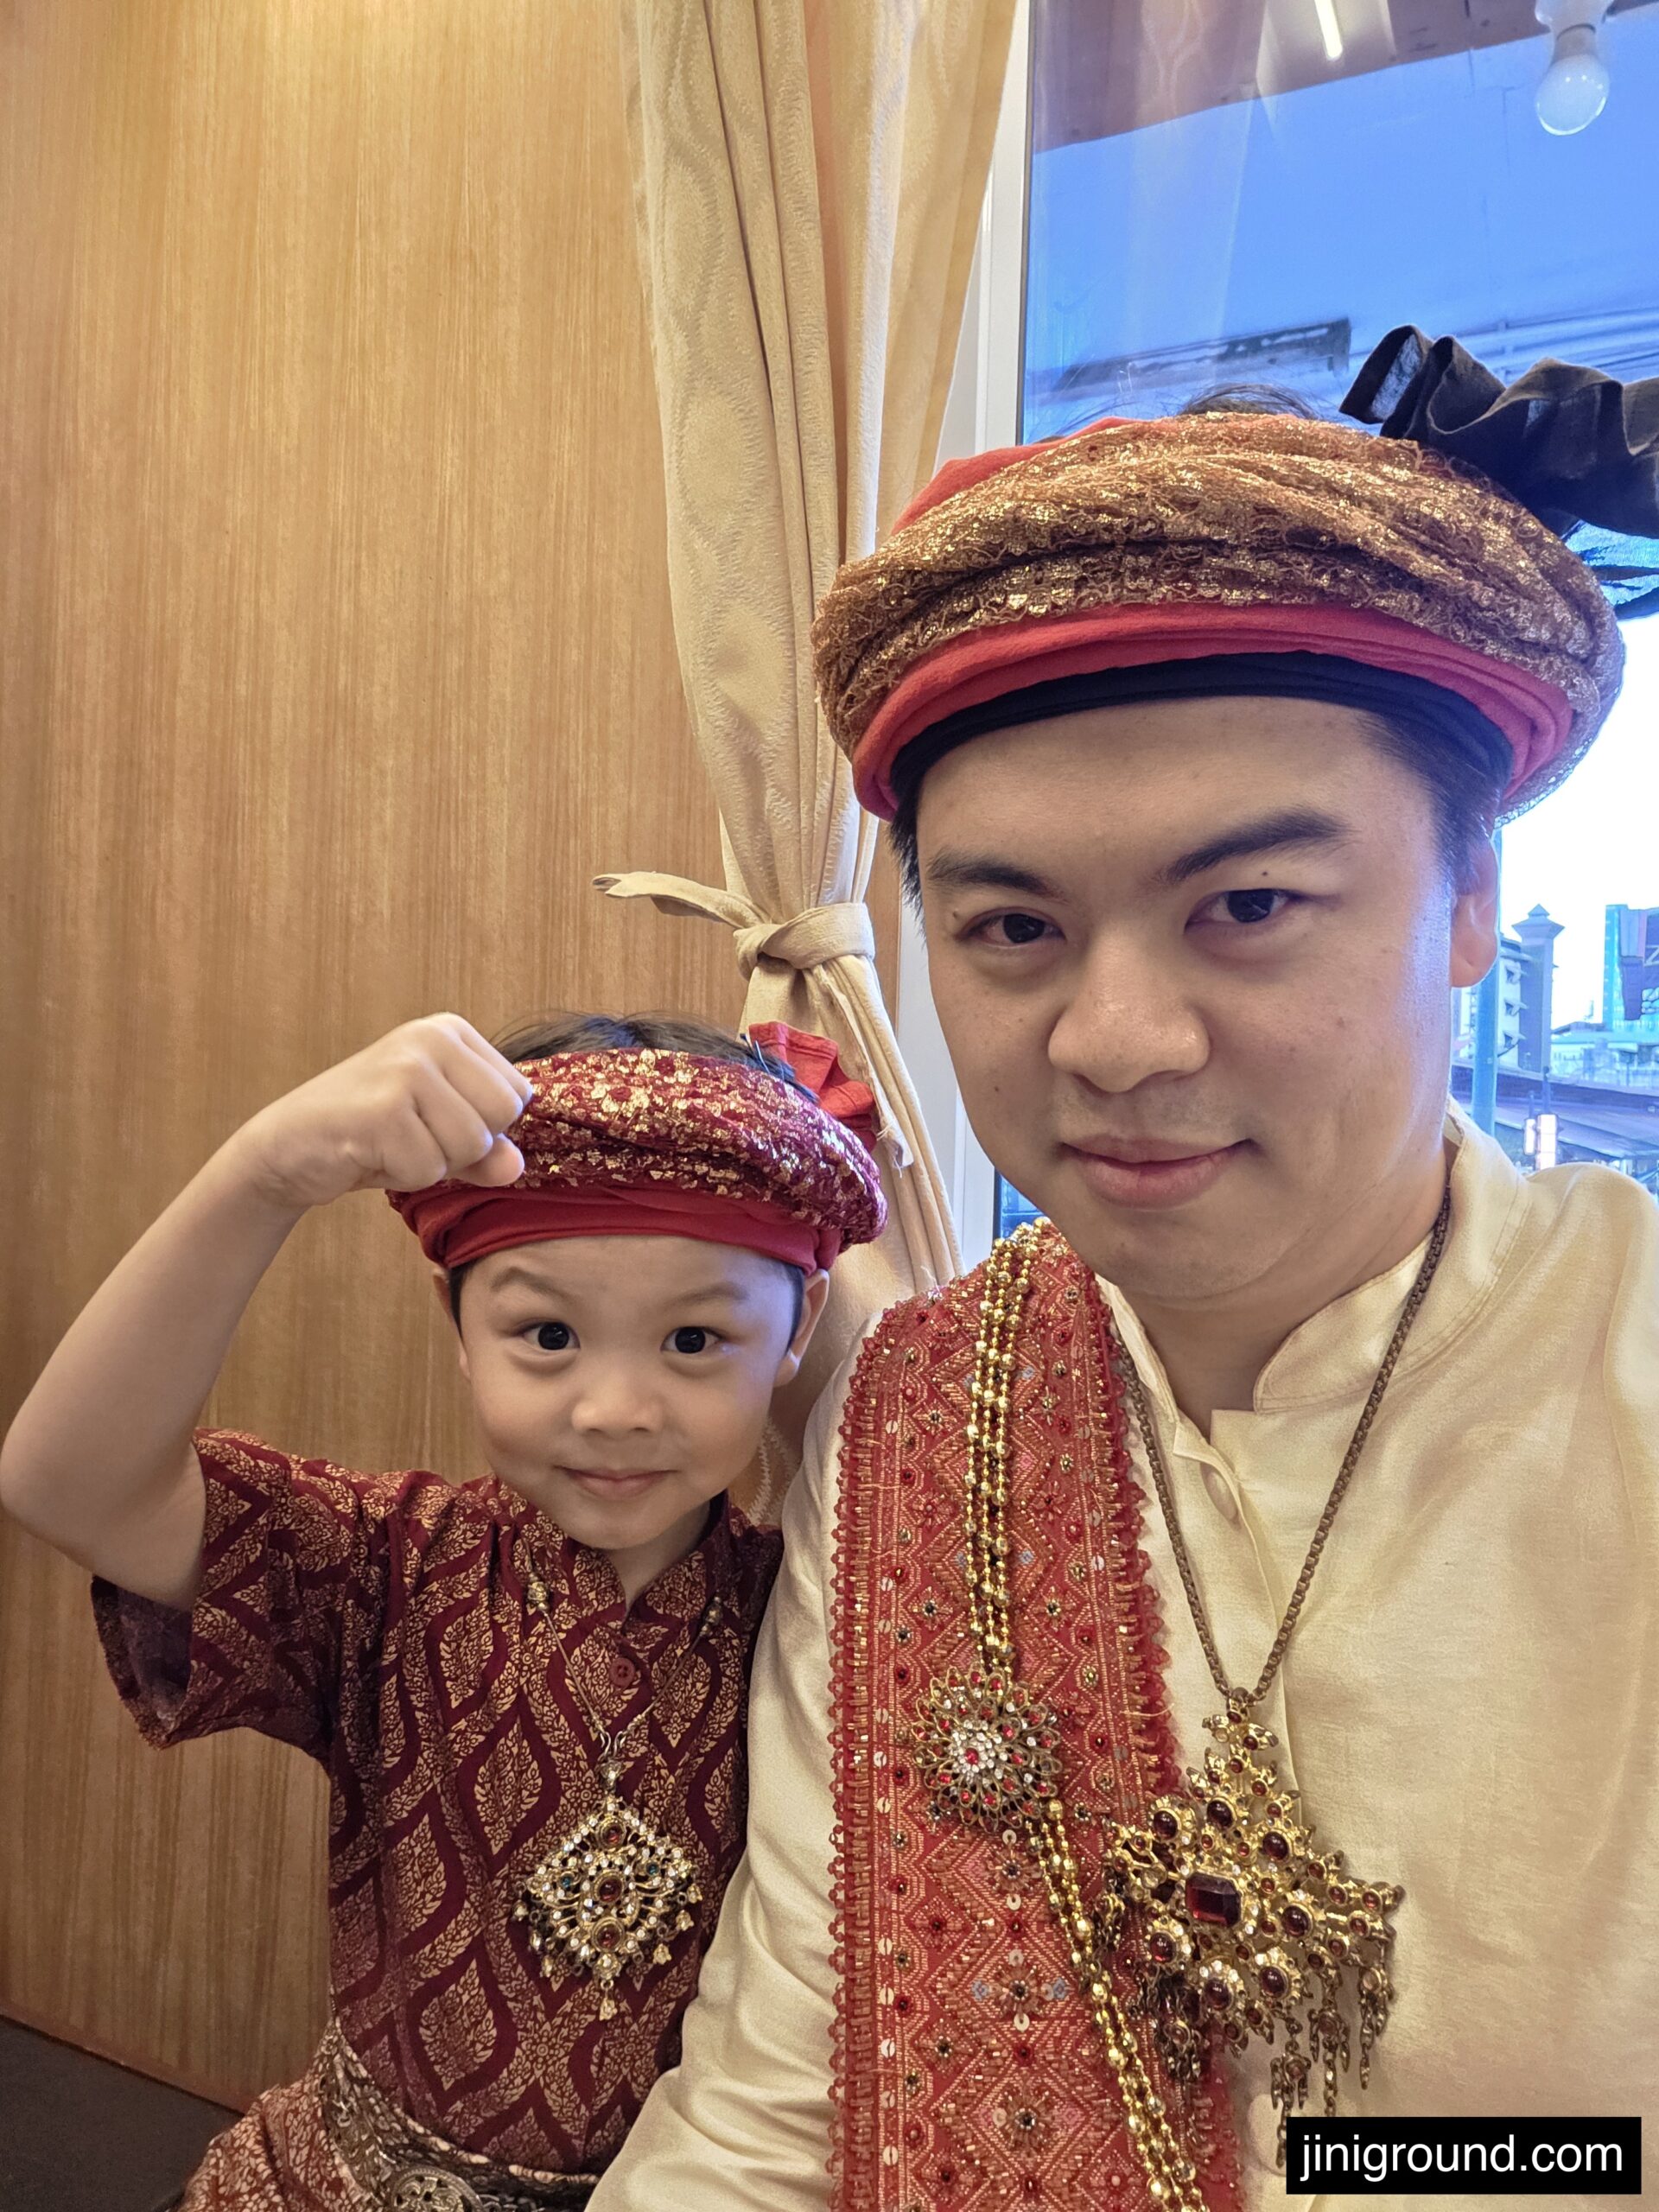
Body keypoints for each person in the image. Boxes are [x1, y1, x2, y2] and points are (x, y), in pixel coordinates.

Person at [589, 331, 1659, 2211]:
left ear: (1473, 898)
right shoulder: (922, 1416)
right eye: (1013, 928)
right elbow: (776, 2101)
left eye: (1248, 904)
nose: (1117, 1040)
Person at [0, 1007, 885, 2209]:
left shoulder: (827, 1622)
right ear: (459, 1328)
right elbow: (67, 1485)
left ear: (797, 1330)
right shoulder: (385, 1563)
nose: (615, 1408)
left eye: (694, 1337)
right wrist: (261, 1175)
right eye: (549, 1333)